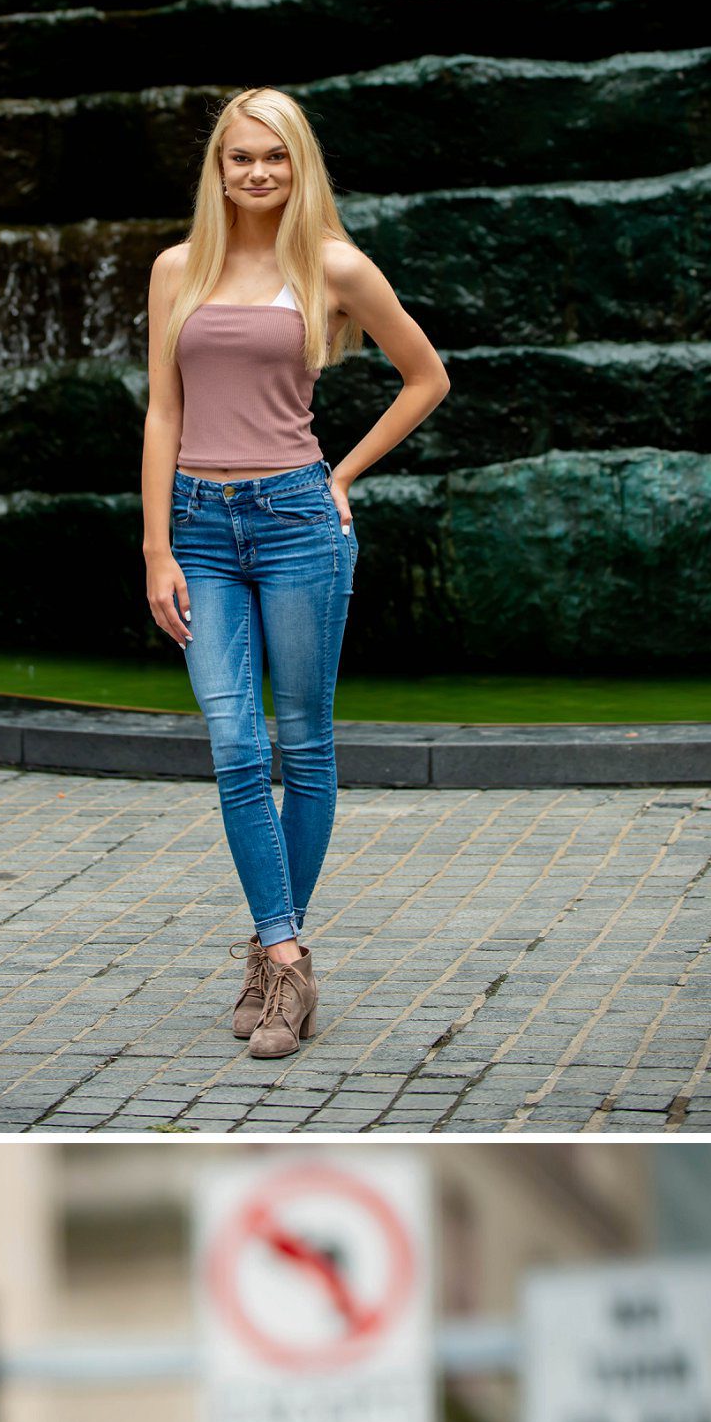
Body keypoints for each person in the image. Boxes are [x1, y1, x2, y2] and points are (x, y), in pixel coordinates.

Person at [141, 89, 450, 1056]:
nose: (258, 172)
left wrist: (342, 476)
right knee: (236, 743)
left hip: (296, 522)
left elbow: (427, 376)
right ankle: (285, 953)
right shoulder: (176, 269)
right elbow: (162, 411)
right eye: (241, 157)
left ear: (299, 164)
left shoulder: (333, 266)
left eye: (275, 156)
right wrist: (155, 546)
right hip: (199, 525)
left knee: (305, 746)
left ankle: (277, 959)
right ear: (218, 167)